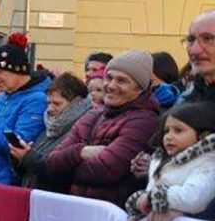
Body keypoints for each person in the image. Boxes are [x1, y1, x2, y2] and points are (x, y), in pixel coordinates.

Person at [45, 49, 161, 208]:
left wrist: (66, 169)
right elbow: (52, 161)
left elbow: (105, 171)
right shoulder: (93, 115)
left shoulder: (145, 122)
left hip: (113, 219)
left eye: (122, 80)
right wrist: (81, 152)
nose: (111, 85)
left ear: (140, 88)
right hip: (79, 210)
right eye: (109, 77)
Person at [124, 100, 215, 221]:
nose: (168, 136)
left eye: (178, 130)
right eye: (166, 131)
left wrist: (152, 197)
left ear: (202, 135)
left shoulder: (207, 162)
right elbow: (150, 193)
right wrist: (136, 215)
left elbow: (194, 198)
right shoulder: (160, 160)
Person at [0, 32, 49, 185]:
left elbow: (16, 147)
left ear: (19, 71)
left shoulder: (37, 100)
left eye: (0, 71)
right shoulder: (2, 97)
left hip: (10, 184)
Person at [11, 72, 93, 193]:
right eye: (49, 103)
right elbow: (30, 172)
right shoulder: (49, 128)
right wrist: (18, 158)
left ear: (77, 103)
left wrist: (28, 157)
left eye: (57, 104)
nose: (49, 109)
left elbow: (62, 174)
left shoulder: (83, 131)